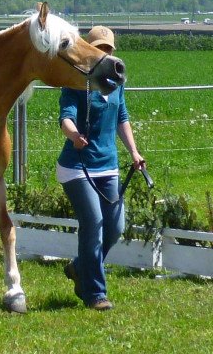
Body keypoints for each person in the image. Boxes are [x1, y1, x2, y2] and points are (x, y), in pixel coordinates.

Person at [57, 26, 144, 311]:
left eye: (108, 49)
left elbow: (122, 116)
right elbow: (65, 117)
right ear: (90, 50)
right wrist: (73, 135)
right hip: (76, 166)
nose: (105, 54)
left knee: (115, 226)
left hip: (108, 166)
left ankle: (80, 267)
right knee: (93, 222)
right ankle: (95, 294)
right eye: (100, 49)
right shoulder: (75, 82)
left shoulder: (117, 82)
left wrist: (133, 151)